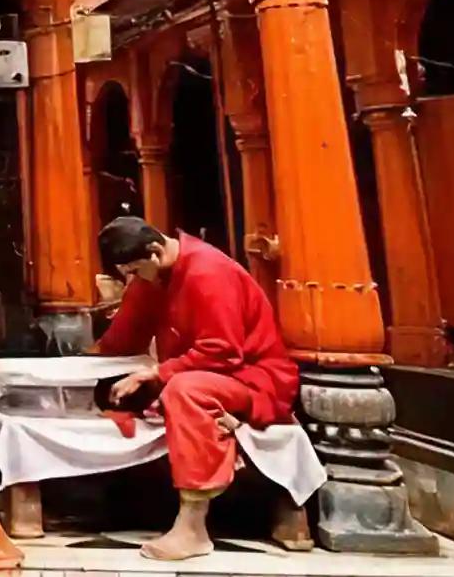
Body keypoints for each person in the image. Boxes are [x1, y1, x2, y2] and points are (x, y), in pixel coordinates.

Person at [94, 216, 303, 561]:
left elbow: (222, 351)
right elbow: (121, 340)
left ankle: (193, 526)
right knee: (125, 390)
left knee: (184, 392)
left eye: (133, 270)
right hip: (200, 373)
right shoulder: (154, 274)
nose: (132, 278)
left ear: (155, 251)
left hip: (251, 378)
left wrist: (159, 373)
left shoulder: (208, 272)